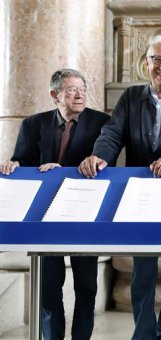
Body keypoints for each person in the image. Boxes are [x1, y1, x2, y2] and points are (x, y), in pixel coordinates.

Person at [78, 35, 161, 340]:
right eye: (157, 59)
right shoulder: (131, 97)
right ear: (146, 63)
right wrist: (99, 156)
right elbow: (112, 133)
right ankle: (144, 334)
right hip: (140, 196)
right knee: (143, 270)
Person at [0, 68, 109, 340]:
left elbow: (104, 164)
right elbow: (22, 162)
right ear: (55, 95)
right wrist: (13, 165)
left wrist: (62, 170)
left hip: (85, 216)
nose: (80, 94)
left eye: (82, 89)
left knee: (86, 289)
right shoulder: (32, 124)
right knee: (49, 289)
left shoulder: (103, 123)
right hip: (44, 220)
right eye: (72, 90)